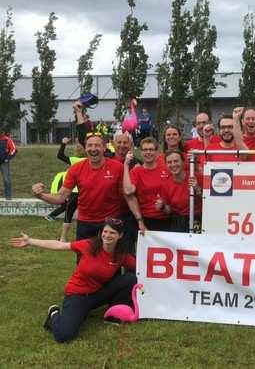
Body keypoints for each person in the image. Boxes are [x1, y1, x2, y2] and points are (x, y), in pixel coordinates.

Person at [8, 218, 137, 343]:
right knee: (64, 334)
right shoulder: (89, 245)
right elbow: (59, 245)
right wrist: (30, 241)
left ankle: (113, 314)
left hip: (97, 293)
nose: (107, 235)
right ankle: (54, 313)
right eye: (105, 231)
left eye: (112, 232)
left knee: (130, 278)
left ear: (120, 236)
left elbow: (140, 267)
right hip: (77, 295)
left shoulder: (121, 254)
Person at [31, 133, 145, 243]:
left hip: (110, 224)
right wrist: (40, 195)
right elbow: (61, 197)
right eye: (90, 145)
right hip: (86, 223)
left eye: (97, 145)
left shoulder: (118, 168)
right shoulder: (76, 169)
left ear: (104, 148)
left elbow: (128, 196)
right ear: (85, 148)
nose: (93, 148)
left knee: (112, 261)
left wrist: (139, 220)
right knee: (84, 261)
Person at [123, 137, 171, 231]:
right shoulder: (136, 171)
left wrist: (164, 204)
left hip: (167, 217)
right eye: (145, 150)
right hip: (146, 219)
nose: (148, 152)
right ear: (141, 152)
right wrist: (126, 165)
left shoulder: (166, 169)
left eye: (151, 149)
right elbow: (128, 191)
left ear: (157, 152)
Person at [157, 150, 202, 232]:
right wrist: (162, 206)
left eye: (176, 161)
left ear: (183, 162)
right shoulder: (165, 185)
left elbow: (208, 201)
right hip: (178, 222)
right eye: (169, 162)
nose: (173, 164)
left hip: (197, 219)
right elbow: (168, 210)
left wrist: (197, 189)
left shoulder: (196, 177)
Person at [0, 131, 17, 200]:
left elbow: (14, 149)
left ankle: (8, 196)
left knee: (6, 179)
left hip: (4, 162)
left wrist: (8, 158)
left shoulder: (7, 140)